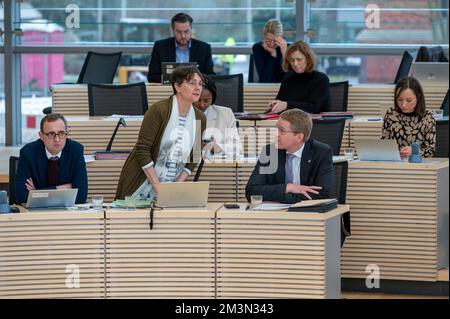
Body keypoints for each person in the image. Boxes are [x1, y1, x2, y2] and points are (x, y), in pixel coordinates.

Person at [115, 65, 207, 200]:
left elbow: (195, 156)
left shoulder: (200, 117)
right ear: (177, 86)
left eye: (200, 84)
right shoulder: (158, 110)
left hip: (172, 187)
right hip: (141, 183)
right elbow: (142, 150)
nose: (198, 87)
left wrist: (174, 188)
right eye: (192, 83)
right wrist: (158, 187)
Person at [246, 109, 332, 204]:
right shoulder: (270, 152)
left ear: (299, 137)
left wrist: (282, 197)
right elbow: (252, 192)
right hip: (276, 215)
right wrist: (288, 187)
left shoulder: (321, 152)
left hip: (309, 214)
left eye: (282, 131)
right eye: (276, 129)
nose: (275, 134)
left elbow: (322, 194)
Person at [15, 113, 88, 204]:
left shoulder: (76, 150)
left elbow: (81, 196)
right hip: (37, 213)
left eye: (61, 133)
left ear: (67, 133)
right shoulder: (28, 153)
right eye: (51, 134)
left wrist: (36, 192)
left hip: (67, 213)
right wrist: (60, 189)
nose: (57, 139)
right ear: (41, 136)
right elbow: (21, 196)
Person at [147, 12, 215, 83]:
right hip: (168, 91)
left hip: (195, 91)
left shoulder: (204, 48)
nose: (183, 36)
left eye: (186, 31)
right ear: (173, 30)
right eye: (178, 32)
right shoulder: (160, 47)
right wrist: (177, 80)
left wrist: (195, 79)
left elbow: (211, 76)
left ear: (191, 29)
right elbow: (152, 77)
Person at [267, 40, 330, 114]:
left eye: (299, 59)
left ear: (308, 60)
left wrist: (286, 105)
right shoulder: (288, 78)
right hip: (289, 122)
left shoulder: (321, 79)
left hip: (313, 123)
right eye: (292, 60)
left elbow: (314, 107)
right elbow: (282, 102)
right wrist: (276, 105)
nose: (295, 64)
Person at [382, 76, 436, 158]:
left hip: (418, 165)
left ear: (418, 97)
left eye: (409, 100)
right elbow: (384, 144)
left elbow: (431, 151)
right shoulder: (391, 114)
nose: (403, 105)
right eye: (399, 100)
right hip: (395, 163)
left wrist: (414, 151)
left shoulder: (428, 117)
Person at [193, 76, 241, 157]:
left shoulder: (226, 114)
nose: (201, 105)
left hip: (217, 165)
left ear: (213, 99)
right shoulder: (179, 112)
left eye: (206, 101)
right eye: (198, 100)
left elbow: (235, 147)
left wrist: (217, 147)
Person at [252, 18, 287, 83]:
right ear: (264, 36)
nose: (272, 44)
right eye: (268, 40)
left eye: (275, 41)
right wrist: (273, 55)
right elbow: (264, 80)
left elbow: (291, 79)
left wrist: (285, 54)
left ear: (281, 36)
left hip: (286, 89)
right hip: (266, 89)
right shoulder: (258, 48)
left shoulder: (289, 48)